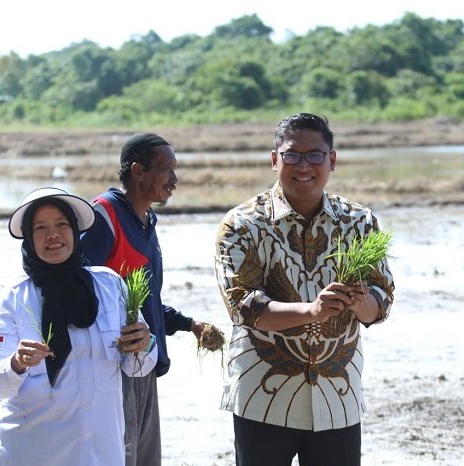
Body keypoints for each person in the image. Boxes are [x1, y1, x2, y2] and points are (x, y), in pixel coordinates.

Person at [214, 112, 395, 466]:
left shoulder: (359, 221)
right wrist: (312, 311)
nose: (303, 166)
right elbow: (243, 306)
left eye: (314, 155)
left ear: (332, 160)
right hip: (263, 395)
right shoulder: (243, 224)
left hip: (337, 394)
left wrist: (360, 303)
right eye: (292, 155)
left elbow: (382, 297)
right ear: (274, 160)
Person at [0, 187, 157, 466]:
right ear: (28, 238)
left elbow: (140, 365)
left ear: (75, 232)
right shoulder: (15, 299)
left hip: (99, 452)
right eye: (41, 227)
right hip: (30, 451)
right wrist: (16, 363)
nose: (53, 234)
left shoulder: (110, 285)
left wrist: (144, 344)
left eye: (62, 224)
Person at [80, 132, 204, 466]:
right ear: (138, 171)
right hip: (112, 367)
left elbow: (145, 302)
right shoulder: (103, 217)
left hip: (144, 363)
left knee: (145, 459)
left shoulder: (147, 221)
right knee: (121, 457)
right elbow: (79, 291)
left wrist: (188, 324)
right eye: (166, 169)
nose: (174, 179)